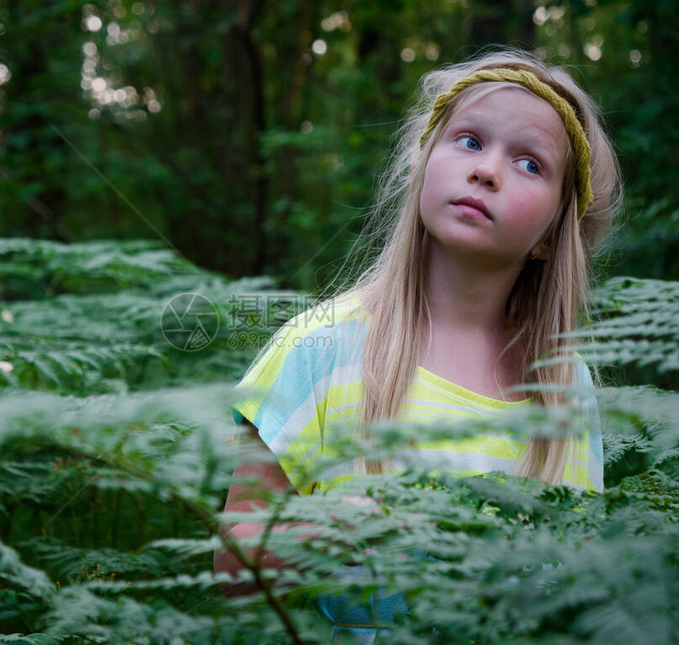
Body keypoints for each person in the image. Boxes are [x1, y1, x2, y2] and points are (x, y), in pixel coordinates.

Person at [214, 47, 621, 642]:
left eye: (530, 163)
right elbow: (234, 565)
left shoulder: (564, 386)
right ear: (424, 166)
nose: (487, 170)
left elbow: (580, 595)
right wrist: (323, 531)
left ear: (551, 234)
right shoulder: (322, 348)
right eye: (470, 141)